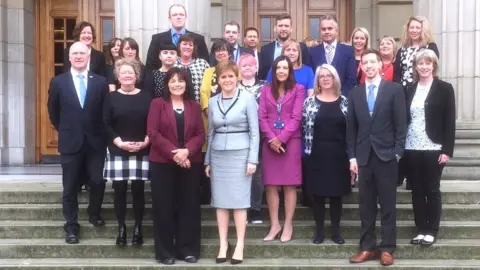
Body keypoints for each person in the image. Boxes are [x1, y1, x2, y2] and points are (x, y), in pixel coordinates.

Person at [347, 49, 406, 266]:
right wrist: (352, 157)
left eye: (373, 62)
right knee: (366, 205)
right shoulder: (355, 93)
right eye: (365, 62)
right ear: (361, 67)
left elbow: (401, 124)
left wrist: (398, 152)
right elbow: (351, 130)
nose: (369, 66)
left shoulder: (394, 90)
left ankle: (388, 248)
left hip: (387, 156)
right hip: (363, 157)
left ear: (380, 65)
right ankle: (367, 247)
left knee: (388, 204)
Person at [47, 42, 108, 244]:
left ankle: (93, 213)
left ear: (89, 56)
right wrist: (67, 129)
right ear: (69, 57)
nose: (79, 56)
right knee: (70, 186)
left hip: (96, 141)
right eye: (75, 53)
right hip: (70, 141)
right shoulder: (58, 82)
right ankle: (71, 227)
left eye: (83, 53)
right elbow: (53, 112)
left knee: (98, 181)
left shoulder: (100, 82)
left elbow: (105, 112)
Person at [147, 67, 205, 265]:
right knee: (164, 207)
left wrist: (187, 151)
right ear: (167, 84)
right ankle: (165, 252)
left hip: (191, 163)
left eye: (180, 80)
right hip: (163, 163)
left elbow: (200, 135)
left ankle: (187, 249)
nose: (177, 84)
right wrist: (177, 154)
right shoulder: (157, 104)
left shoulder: (194, 106)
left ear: (187, 83)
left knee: (188, 206)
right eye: (172, 80)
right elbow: (153, 134)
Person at [205, 61, 259, 265]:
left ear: (236, 77)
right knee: (220, 201)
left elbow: (255, 132)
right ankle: (223, 244)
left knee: (239, 201)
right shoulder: (212, 101)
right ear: (218, 80)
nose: (227, 80)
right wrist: (208, 160)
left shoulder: (248, 98)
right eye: (223, 77)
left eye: (230, 76)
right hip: (219, 155)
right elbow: (210, 133)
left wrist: (252, 159)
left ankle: (240, 244)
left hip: (241, 154)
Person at [404, 49, 456, 246]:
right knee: (416, 190)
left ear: (434, 66)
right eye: (420, 64)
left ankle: (432, 229)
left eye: (428, 63)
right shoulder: (409, 89)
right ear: (415, 67)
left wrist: (447, 150)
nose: (424, 67)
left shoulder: (444, 88)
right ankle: (421, 228)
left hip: (434, 146)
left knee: (432, 189)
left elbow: (449, 121)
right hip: (411, 146)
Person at [103, 59, 151, 246]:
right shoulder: (111, 97)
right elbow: (105, 122)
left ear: (136, 75)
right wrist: (120, 143)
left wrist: (147, 140)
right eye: (123, 73)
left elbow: (153, 122)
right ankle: (122, 228)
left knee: (139, 190)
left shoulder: (147, 97)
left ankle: (138, 228)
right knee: (120, 190)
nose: (127, 75)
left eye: (130, 72)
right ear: (118, 76)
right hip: (118, 148)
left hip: (142, 147)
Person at [302, 64, 350, 245]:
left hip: (339, 155)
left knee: (337, 196)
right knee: (319, 196)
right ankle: (320, 232)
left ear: (335, 78)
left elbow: (351, 130)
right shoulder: (309, 102)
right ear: (318, 80)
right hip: (316, 154)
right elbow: (303, 127)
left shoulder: (345, 101)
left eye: (329, 75)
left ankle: (336, 232)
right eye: (321, 76)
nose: (325, 78)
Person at [259, 56, 304, 243]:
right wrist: (272, 139)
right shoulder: (265, 90)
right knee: (270, 185)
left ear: (290, 70)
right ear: (274, 70)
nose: (282, 71)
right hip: (270, 143)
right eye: (279, 67)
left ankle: (288, 225)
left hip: (290, 142)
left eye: (285, 68)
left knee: (289, 184)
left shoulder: (298, 89)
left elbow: (297, 117)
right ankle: (275, 224)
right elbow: (261, 116)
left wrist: (281, 138)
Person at [394, 16, 439, 188]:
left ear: (422, 29)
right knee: (404, 132)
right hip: (404, 95)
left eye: (417, 28)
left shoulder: (430, 47)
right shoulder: (402, 49)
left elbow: (433, 70)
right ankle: (401, 173)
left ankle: (413, 178)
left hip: (422, 93)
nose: (414, 30)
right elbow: (397, 74)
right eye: (411, 27)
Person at [199, 39, 235, 204]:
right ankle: (208, 195)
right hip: (210, 118)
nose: (221, 53)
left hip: (232, 120)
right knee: (209, 153)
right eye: (218, 50)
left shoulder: (235, 70)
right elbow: (204, 92)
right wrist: (207, 109)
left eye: (224, 50)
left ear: (229, 52)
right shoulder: (209, 72)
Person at [237, 54, 268, 224]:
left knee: (256, 174)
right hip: (239, 135)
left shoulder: (265, 86)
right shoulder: (233, 86)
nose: (248, 68)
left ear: (256, 67)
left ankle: (256, 209)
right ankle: (241, 207)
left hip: (260, 135)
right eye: (244, 66)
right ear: (239, 69)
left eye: (251, 65)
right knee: (239, 173)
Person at [145, 4, 209, 72]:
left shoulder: (199, 39)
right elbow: (150, 66)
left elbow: (206, 64)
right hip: (163, 80)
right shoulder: (157, 39)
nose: (178, 17)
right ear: (169, 18)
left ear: (186, 18)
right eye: (175, 15)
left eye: (181, 14)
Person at [309, 15, 356, 96]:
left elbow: (351, 79)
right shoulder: (312, 52)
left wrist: (339, 96)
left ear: (337, 31)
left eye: (330, 28)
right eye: (323, 29)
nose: (326, 31)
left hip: (342, 99)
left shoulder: (348, 51)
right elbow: (312, 79)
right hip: (320, 98)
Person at [259, 14, 309, 80]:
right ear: (275, 28)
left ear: (291, 29)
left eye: (286, 26)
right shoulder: (265, 49)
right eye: (280, 26)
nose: (283, 29)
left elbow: (305, 70)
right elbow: (263, 75)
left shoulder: (302, 47)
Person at [175, 33, 210, 101]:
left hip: (199, 106)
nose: (187, 47)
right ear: (179, 46)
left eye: (190, 45)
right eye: (184, 44)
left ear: (194, 47)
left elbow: (209, 86)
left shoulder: (202, 64)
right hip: (176, 106)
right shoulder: (173, 63)